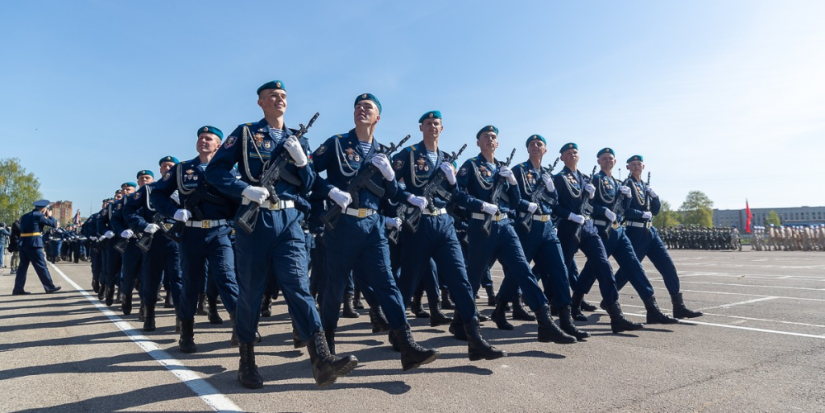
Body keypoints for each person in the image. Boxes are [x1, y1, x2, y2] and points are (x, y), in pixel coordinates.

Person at [206, 80, 358, 389]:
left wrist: (302, 162)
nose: (279, 99)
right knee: (250, 292)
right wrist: (243, 189)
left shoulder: (298, 140)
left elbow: (311, 184)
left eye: (284, 96)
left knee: (299, 287)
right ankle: (247, 362)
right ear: (260, 102)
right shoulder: (246, 133)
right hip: (256, 220)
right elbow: (215, 171)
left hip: (289, 220)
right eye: (273, 96)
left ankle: (321, 360)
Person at [311, 93, 440, 371]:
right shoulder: (336, 143)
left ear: (377, 117)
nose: (361, 109)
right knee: (334, 287)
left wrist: (394, 180)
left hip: (373, 227)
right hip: (342, 225)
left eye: (367, 107)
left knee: (387, 284)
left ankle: (407, 346)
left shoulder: (382, 152)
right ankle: (327, 350)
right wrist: (329, 190)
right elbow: (309, 172)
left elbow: (391, 193)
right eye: (357, 106)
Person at [391, 110, 506, 359]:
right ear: (421, 127)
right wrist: (407, 198)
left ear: (442, 129)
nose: (432, 126)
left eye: (437, 123)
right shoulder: (408, 154)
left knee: (461, 280)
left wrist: (454, 184)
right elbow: (390, 184)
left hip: (444, 223)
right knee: (408, 282)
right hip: (418, 224)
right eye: (428, 123)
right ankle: (397, 331)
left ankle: (474, 338)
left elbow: (457, 197)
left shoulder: (447, 160)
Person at [456, 126, 575, 344]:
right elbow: (457, 195)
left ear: (497, 143)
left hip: (505, 226)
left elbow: (514, 200)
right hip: (482, 226)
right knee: (474, 276)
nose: (490, 140)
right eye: (485, 137)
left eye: (493, 137)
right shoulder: (471, 165)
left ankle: (545, 322)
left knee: (523, 270)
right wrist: (479, 205)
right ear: (478, 143)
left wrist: (512, 184)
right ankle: (459, 321)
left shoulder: (503, 168)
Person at [151, 126, 240, 353]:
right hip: (191, 233)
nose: (203, 141)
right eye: (200, 137)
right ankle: (187, 333)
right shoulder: (182, 169)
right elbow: (157, 193)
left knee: (226, 277)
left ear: (219, 145)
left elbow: (241, 199)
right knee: (190, 283)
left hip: (220, 232)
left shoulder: (230, 169)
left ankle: (240, 327)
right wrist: (173, 211)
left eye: (209, 138)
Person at [575, 148, 676, 324]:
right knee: (592, 269)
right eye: (604, 158)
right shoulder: (595, 180)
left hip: (618, 231)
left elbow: (623, 209)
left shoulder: (617, 183)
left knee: (635, 268)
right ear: (598, 161)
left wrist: (628, 198)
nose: (608, 161)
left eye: (610, 158)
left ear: (615, 162)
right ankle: (575, 303)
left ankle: (652, 309)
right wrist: (603, 211)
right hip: (601, 230)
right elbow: (587, 205)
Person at [504, 135, 591, 340]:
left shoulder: (547, 174)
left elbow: (554, 202)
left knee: (560, 270)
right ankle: (501, 307)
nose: (536, 146)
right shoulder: (519, 170)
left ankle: (566, 320)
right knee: (520, 270)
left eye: (539, 144)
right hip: (527, 227)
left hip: (547, 226)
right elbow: (511, 199)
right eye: (532, 144)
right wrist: (525, 205)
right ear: (528, 149)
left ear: (545, 150)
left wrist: (551, 189)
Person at [552, 143, 642, 333]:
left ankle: (616, 317)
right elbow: (554, 206)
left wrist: (592, 197)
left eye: (575, 152)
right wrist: (570, 215)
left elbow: (591, 204)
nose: (572, 155)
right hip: (569, 227)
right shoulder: (559, 178)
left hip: (588, 227)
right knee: (562, 268)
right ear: (562, 158)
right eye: (568, 153)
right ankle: (562, 310)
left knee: (603, 266)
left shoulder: (585, 178)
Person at [614, 155, 702, 319]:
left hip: (651, 232)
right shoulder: (626, 185)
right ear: (628, 167)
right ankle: (610, 298)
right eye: (633, 164)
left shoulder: (645, 186)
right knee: (629, 270)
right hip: (636, 232)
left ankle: (679, 306)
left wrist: (655, 197)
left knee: (668, 266)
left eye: (639, 164)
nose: (636, 166)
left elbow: (655, 211)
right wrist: (641, 214)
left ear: (643, 166)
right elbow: (624, 210)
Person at [12, 200, 62, 295]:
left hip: (23, 243)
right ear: (44, 209)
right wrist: (50, 216)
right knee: (41, 266)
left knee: (22, 267)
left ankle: (18, 288)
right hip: (34, 243)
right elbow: (53, 224)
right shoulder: (39, 215)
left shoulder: (25, 216)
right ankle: (49, 287)